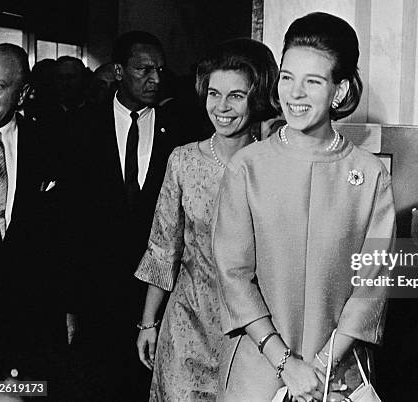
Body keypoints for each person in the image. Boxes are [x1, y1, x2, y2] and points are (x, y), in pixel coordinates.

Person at [212, 12, 395, 401]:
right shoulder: (248, 166)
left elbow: (371, 285)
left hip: (339, 374)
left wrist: (322, 366)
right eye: (287, 78)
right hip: (259, 368)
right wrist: (286, 364)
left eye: (312, 82)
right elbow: (233, 275)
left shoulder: (369, 174)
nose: (294, 93)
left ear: (340, 91)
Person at [134, 37, 279, 401]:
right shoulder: (183, 161)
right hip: (186, 326)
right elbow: (163, 248)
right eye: (214, 94)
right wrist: (148, 322)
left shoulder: (272, 165)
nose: (222, 107)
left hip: (252, 333)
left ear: (256, 98)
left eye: (236, 96)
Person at [63, 31, 195, 401]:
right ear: (119, 71)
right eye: (143, 69)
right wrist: (70, 302)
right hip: (96, 294)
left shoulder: (181, 130)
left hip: (156, 296)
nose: (155, 78)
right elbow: (67, 224)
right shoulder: (81, 127)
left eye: (160, 69)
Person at [0, 44, 72, 399]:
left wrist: (68, 307)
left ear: (24, 93)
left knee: (29, 396)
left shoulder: (51, 141)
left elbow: (65, 235)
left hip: (32, 328)